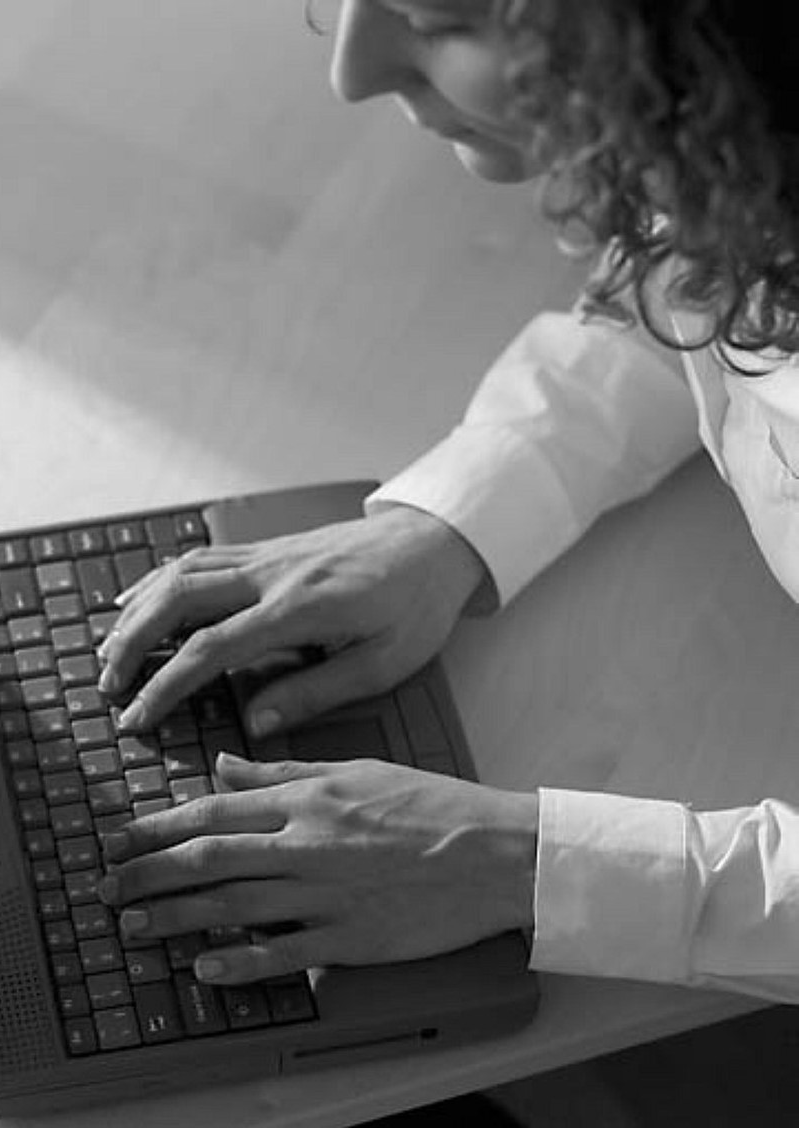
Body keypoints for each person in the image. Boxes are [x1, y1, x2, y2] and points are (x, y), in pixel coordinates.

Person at [96, 0, 799, 1000]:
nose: (353, 71)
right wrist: (455, 521)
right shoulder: (743, 148)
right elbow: (704, 285)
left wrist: (519, 863)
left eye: (437, 16)